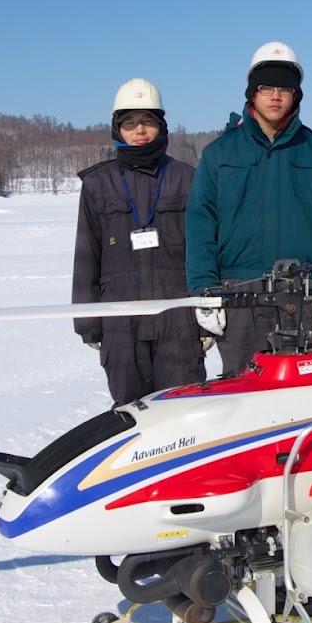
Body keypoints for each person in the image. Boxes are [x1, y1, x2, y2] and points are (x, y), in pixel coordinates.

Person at [186, 41, 312, 376]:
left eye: (285, 88)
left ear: (296, 95)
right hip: (239, 298)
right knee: (244, 391)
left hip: (303, 295)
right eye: (266, 87)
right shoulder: (219, 154)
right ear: (252, 93)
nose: (275, 96)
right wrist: (204, 290)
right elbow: (201, 224)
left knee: (305, 393)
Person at [72, 78, 207, 405]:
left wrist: (206, 316)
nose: (140, 130)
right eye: (130, 123)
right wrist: (88, 323)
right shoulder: (97, 183)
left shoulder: (188, 178)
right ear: (117, 130)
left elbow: (204, 250)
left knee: (183, 411)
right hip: (121, 324)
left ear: (161, 126)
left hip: (179, 321)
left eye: (147, 121)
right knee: (131, 415)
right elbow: (86, 255)